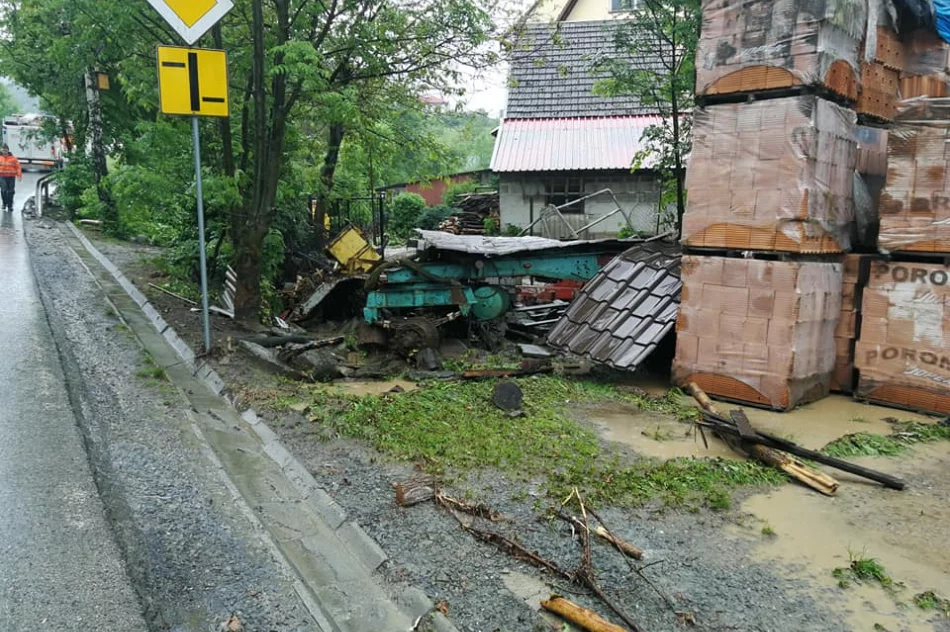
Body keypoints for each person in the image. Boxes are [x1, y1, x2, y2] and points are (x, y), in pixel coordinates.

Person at [0, 145, 22, 212]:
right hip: (2, 176)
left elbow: (18, 167)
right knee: (4, 190)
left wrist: (19, 176)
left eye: (6, 150)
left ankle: (10, 205)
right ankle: (4, 203)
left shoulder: (13, 159)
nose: (4, 151)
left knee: (11, 191)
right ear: (1, 150)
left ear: (8, 150)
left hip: (11, 177)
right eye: (3, 150)